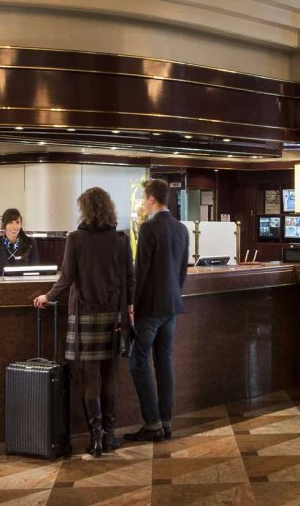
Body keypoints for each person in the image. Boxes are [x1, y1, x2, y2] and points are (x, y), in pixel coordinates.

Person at [32, 188, 133, 458]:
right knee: (110, 376)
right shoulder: (121, 239)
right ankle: (110, 435)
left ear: (85, 209)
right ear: (109, 208)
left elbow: (66, 278)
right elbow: (129, 279)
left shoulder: (75, 239)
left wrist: (47, 296)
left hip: (84, 316)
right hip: (113, 315)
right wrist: (129, 308)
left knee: (89, 378)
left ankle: (96, 438)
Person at [124, 179, 188, 443]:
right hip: (172, 306)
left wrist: (132, 304)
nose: (142, 204)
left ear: (151, 200)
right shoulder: (181, 229)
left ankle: (152, 424)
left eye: (144, 199)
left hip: (149, 308)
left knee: (138, 360)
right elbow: (182, 271)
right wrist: (174, 294)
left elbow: (141, 271)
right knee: (163, 362)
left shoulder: (149, 229)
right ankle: (166, 422)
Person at [0, 208, 38, 275]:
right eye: (10, 222)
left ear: (21, 225)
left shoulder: (30, 244)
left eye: (17, 222)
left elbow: (36, 273)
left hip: (24, 284)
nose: (14, 227)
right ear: (4, 225)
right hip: (2, 285)